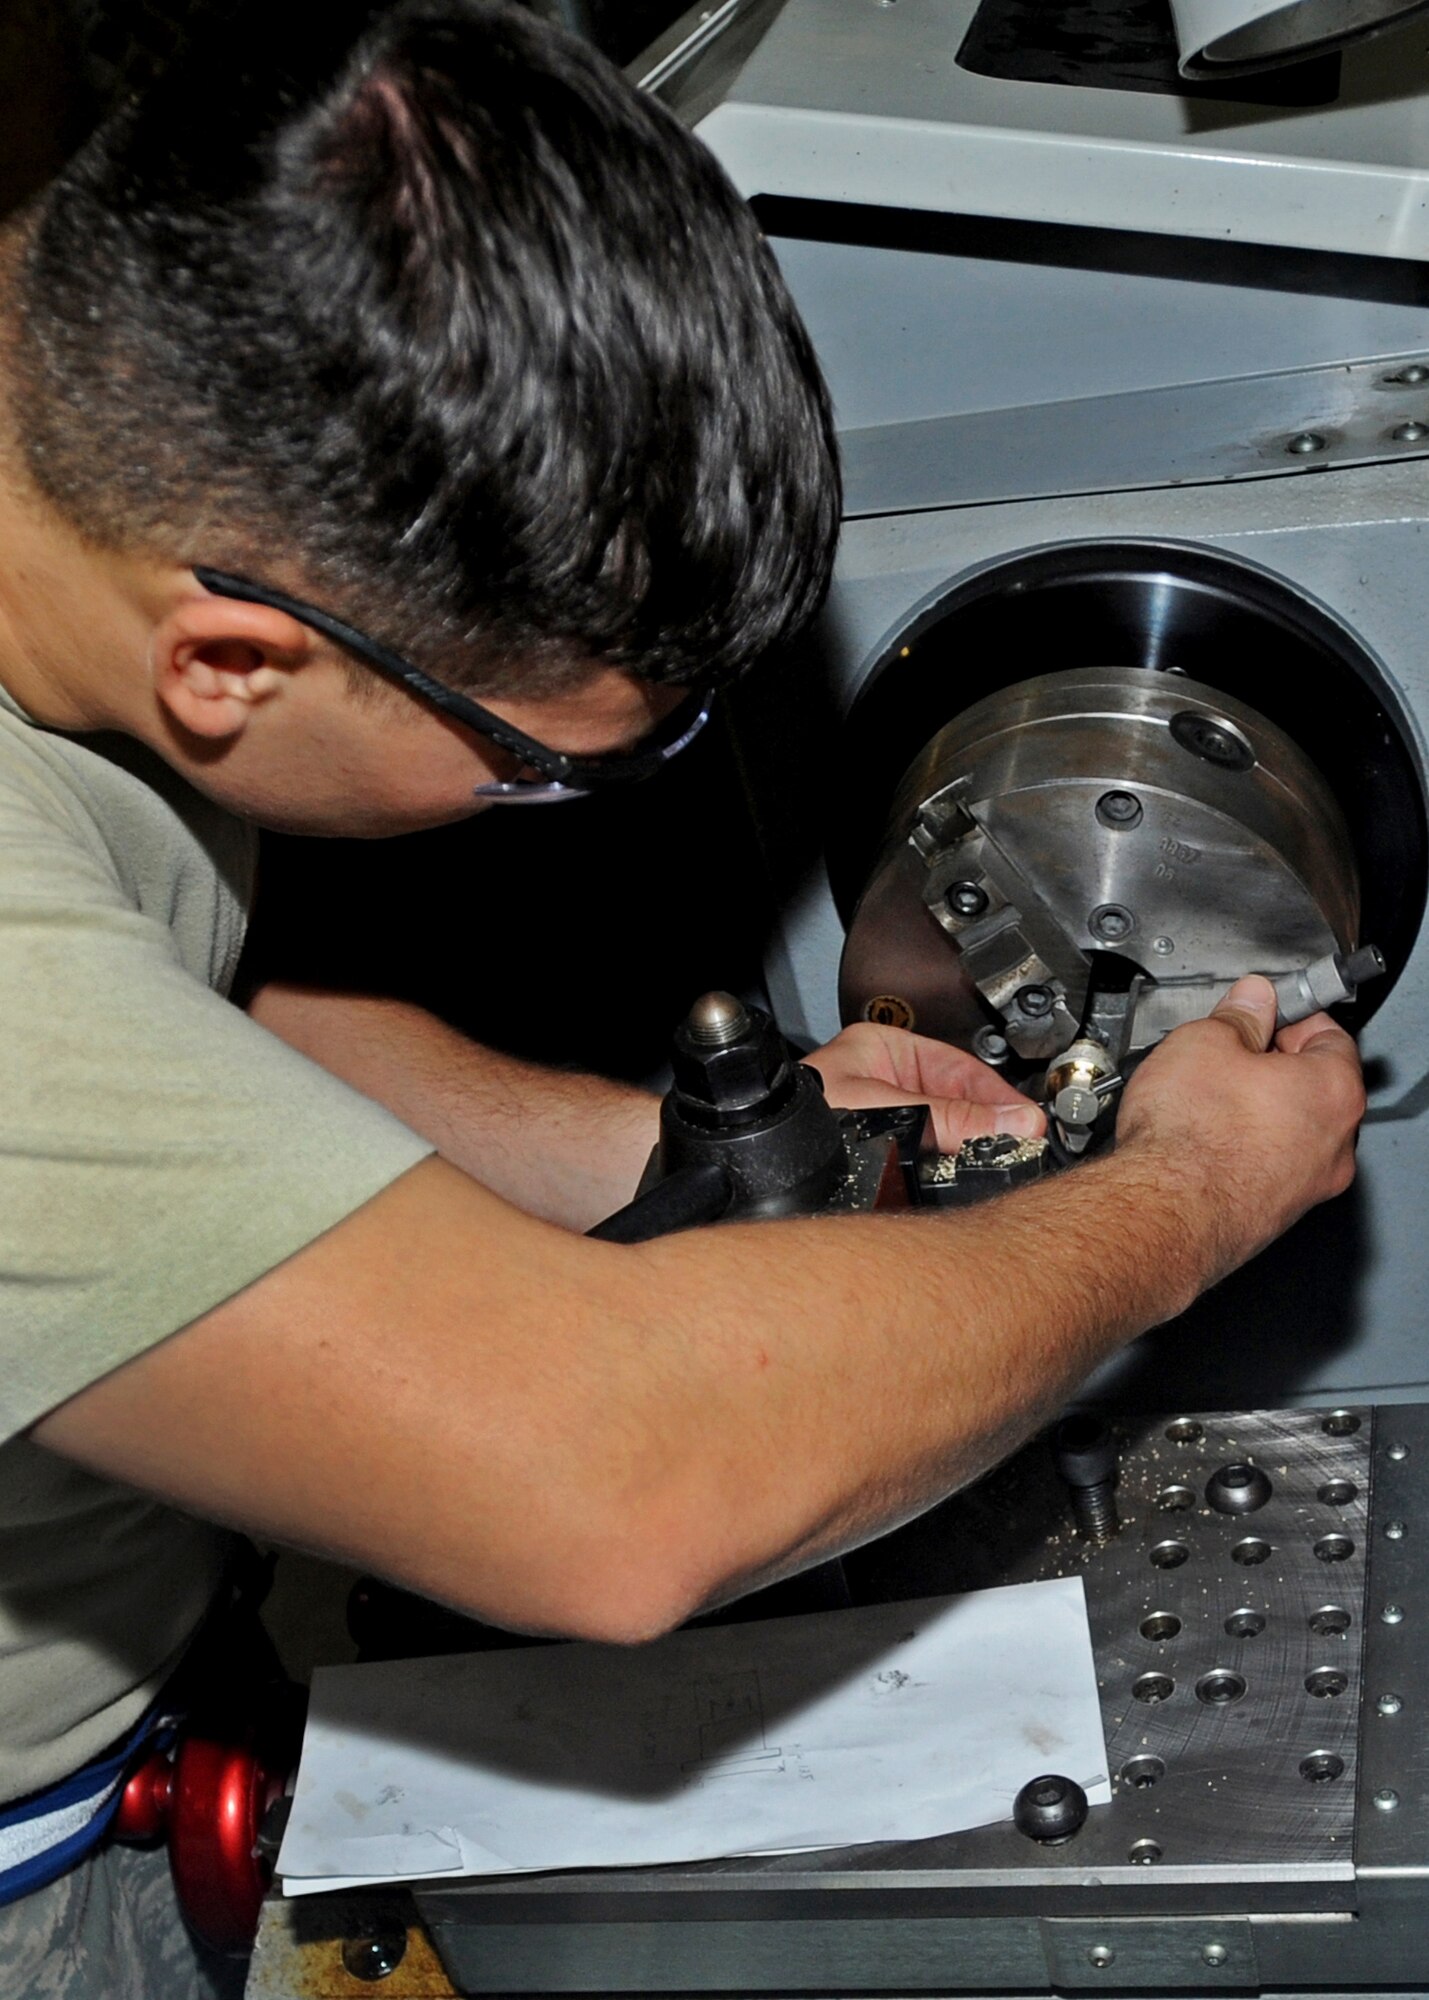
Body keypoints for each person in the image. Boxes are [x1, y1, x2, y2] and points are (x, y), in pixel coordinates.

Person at [0, 3, 1366, 1993]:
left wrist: (684, 1151)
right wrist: (1186, 1197)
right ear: (227, 665)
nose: (553, 806)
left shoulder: (79, 435)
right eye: (539, 767)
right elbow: (610, 1492)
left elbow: (161, 1014)